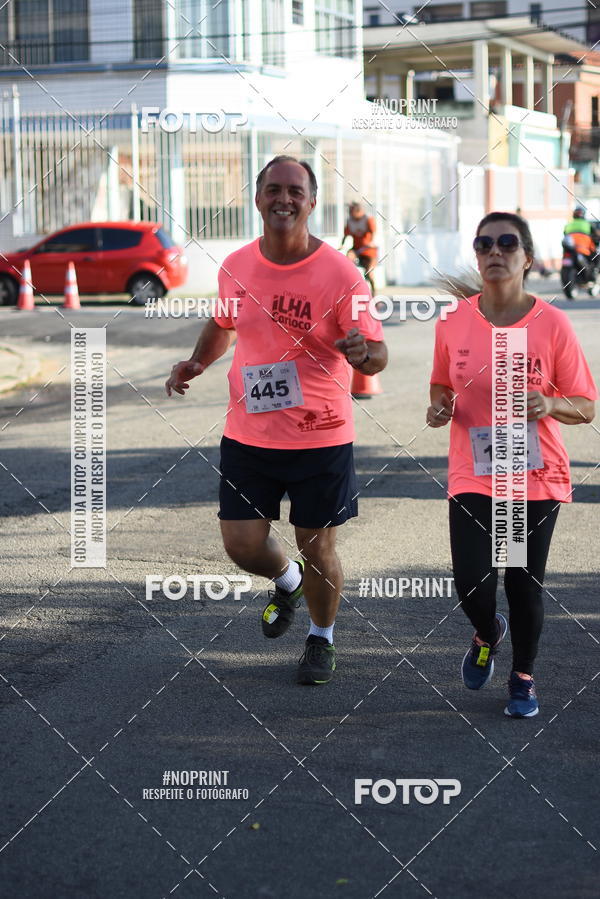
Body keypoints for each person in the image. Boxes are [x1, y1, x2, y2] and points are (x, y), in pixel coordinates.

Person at [165, 155, 387, 685]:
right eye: (273, 189)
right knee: (241, 544)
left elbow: (377, 354)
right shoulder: (236, 265)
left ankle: (321, 637)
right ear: (258, 196)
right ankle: (286, 581)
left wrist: (364, 355)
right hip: (249, 435)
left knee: (319, 548)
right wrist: (199, 360)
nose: (283, 199)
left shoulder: (341, 275)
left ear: (311, 203)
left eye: (295, 191)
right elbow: (223, 322)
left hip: (319, 438)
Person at [427, 211, 596, 718]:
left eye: (506, 243)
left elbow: (585, 405)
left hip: (532, 475)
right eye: (485, 244)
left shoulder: (551, 323)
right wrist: (439, 407)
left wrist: (550, 405)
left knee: (522, 581)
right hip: (474, 470)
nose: (494, 251)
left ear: (526, 258)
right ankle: (486, 630)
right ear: (477, 256)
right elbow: (440, 384)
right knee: (473, 584)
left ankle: (523, 678)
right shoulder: (455, 321)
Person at [339, 201, 378, 294]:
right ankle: (349, 283)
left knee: (369, 274)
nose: (350, 214)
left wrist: (372, 241)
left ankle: (373, 295)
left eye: (351, 212)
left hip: (369, 251)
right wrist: (342, 245)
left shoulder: (368, 219)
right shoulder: (350, 221)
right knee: (349, 257)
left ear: (358, 211)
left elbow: (374, 232)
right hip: (357, 249)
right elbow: (346, 234)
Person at [563, 206, 597, 280]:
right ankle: (593, 274)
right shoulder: (588, 224)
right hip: (584, 250)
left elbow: (565, 235)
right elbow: (596, 236)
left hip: (570, 250)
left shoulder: (568, 225)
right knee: (595, 259)